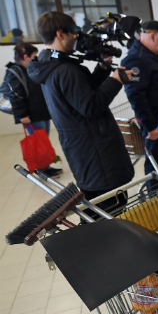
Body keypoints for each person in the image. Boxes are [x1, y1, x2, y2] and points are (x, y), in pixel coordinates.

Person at [28, 11, 133, 213]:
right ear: (60, 34)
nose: (76, 38)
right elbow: (90, 106)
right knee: (109, 211)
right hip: (96, 154)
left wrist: (102, 69)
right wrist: (116, 80)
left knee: (95, 208)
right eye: (73, 33)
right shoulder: (65, 70)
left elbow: (79, 96)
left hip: (83, 151)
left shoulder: (51, 64)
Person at [122, 20, 158, 187]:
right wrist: (150, 127)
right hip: (155, 124)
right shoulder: (137, 59)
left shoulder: (151, 55)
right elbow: (136, 97)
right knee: (157, 166)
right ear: (153, 36)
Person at [5, 43, 61, 177]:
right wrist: (22, 114)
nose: (36, 59)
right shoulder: (15, 71)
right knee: (38, 143)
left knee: (43, 141)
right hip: (31, 115)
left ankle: (45, 166)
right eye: (34, 56)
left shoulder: (29, 68)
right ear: (25, 57)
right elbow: (15, 95)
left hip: (40, 112)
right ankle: (42, 170)